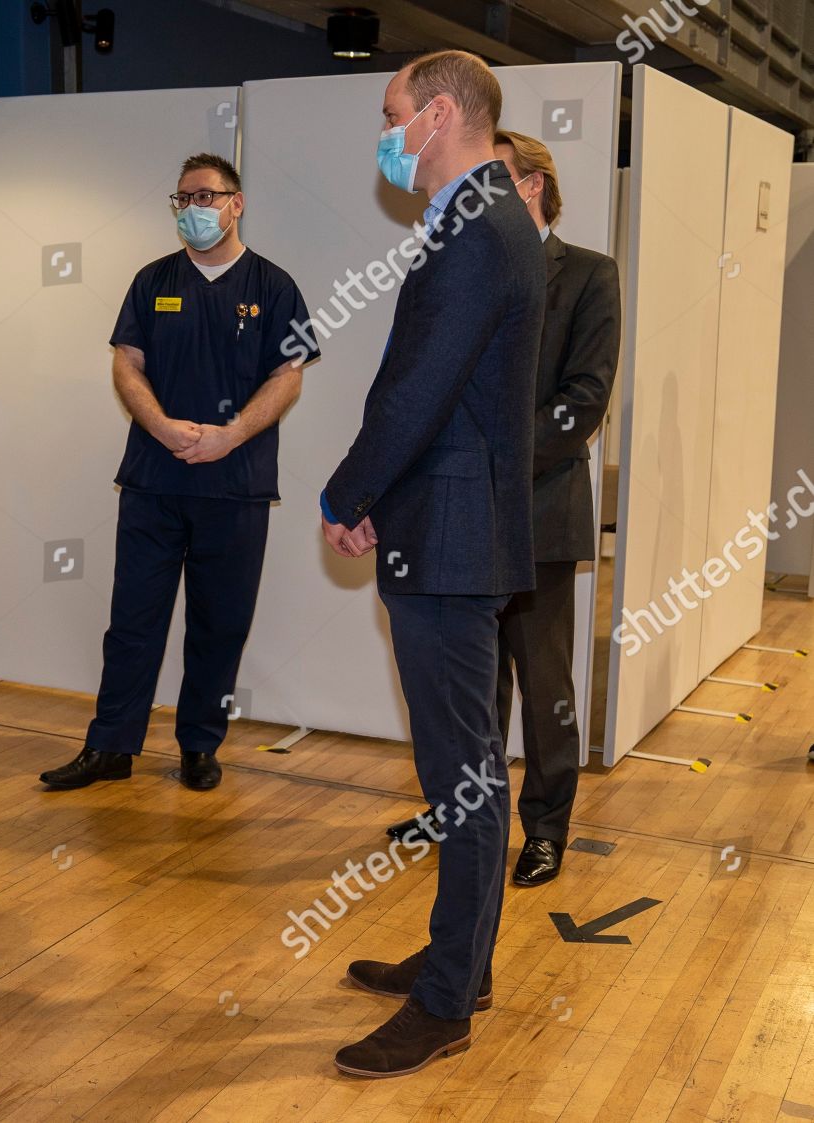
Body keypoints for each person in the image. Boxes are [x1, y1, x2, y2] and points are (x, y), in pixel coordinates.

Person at [317, 51, 545, 1077]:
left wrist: (346, 492)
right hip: (445, 523)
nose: (385, 129)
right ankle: (463, 960)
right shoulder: (482, 216)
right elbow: (428, 390)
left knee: (462, 777)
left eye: (391, 111)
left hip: (454, 539)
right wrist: (380, 493)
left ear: (440, 114)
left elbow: (415, 393)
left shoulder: (479, 225)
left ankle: (448, 1000)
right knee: (459, 770)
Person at [386, 130, 621, 889]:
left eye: (501, 177)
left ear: (534, 187)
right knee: (473, 688)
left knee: (544, 683)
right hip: (465, 519)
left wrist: (497, 462)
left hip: (541, 512)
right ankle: (463, 810)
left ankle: (546, 826)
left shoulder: (589, 274)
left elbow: (582, 401)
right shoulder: (468, 261)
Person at [39, 152, 312, 794]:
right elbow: (126, 364)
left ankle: (199, 747)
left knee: (220, 624)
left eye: (206, 197)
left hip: (235, 484)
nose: (193, 210)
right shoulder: (152, 280)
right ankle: (110, 745)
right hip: (153, 483)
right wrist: (161, 426)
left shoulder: (273, 287)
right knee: (133, 619)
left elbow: (288, 375)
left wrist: (232, 434)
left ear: (236, 203)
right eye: (182, 200)